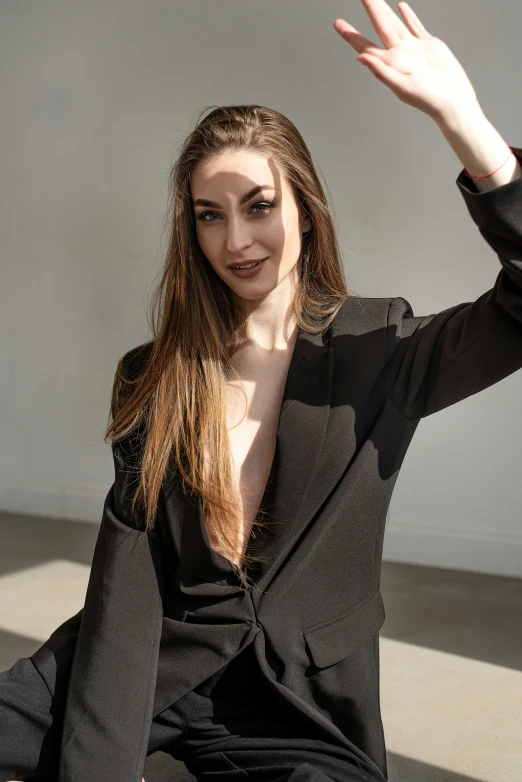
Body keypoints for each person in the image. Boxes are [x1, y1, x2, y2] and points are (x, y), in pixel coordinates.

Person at [2, 2, 522, 781]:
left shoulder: (382, 349)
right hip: (152, 665)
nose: (236, 241)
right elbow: (128, 588)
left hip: (300, 711)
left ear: (305, 210)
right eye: (210, 216)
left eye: (259, 206)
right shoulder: (155, 373)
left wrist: (467, 126)